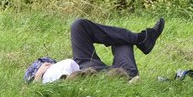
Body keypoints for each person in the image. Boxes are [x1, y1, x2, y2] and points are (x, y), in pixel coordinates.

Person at [24, 17, 165, 83]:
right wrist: (37, 77)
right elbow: (39, 94)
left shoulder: (58, 67)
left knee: (78, 25)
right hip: (118, 74)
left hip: (88, 67)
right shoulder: (41, 80)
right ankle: (142, 39)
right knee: (121, 41)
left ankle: (141, 38)